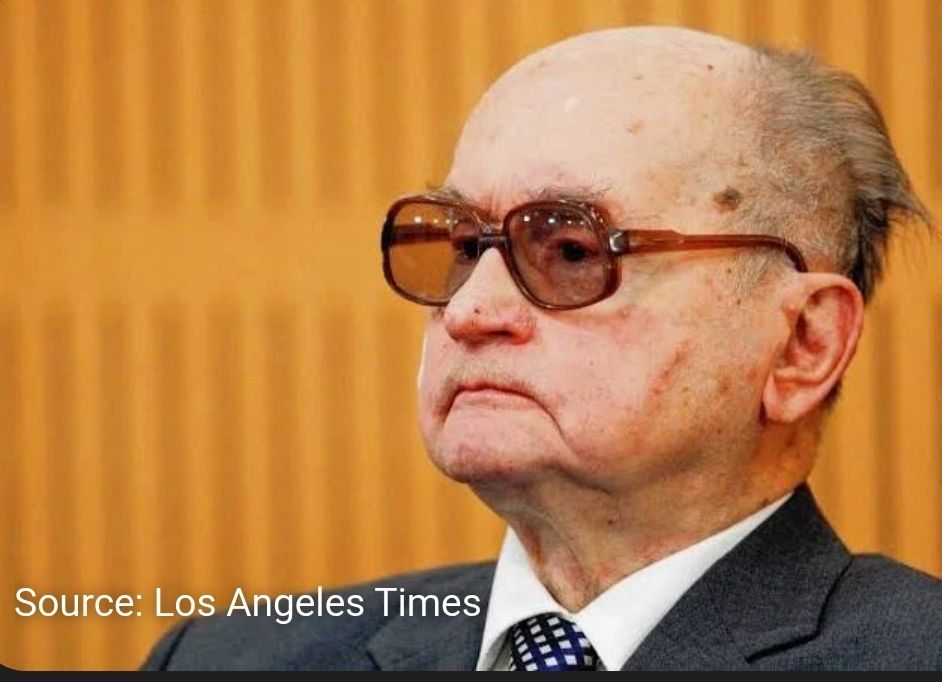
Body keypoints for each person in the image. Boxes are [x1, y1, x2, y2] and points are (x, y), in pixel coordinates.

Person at [142, 26, 941, 671]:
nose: (470, 310)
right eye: (462, 245)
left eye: (570, 250)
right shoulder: (228, 658)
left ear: (802, 343)